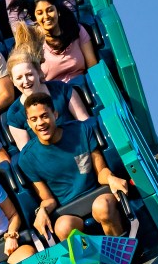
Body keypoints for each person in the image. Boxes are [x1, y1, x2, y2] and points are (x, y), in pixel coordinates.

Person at [17, 95, 129, 240]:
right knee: (63, 227)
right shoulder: (27, 158)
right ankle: (91, 262)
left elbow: (101, 171)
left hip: (97, 195)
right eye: (34, 119)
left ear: (55, 114)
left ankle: (120, 256)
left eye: (44, 116)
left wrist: (110, 178)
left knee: (103, 207)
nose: (40, 123)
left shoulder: (81, 130)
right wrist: (42, 210)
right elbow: (48, 199)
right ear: (29, 123)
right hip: (68, 211)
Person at [3, 47, 90, 149]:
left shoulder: (61, 88)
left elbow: (85, 121)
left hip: (79, 144)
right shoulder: (14, 114)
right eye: (19, 78)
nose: (25, 81)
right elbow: (28, 153)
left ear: (39, 72)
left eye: (29, 74)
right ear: (12, 81)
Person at [10, 0, 98, 82]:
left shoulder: (77, 30)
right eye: (40, 13)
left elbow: (93, 66)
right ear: (35, 18)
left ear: (58, 12)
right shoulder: (33, 44)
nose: (46, 16)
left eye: (50, 10)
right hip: (55, 92)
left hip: (84, 86)